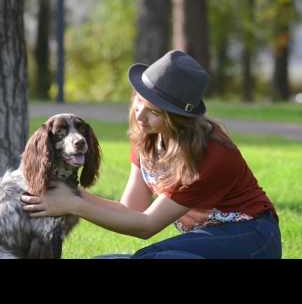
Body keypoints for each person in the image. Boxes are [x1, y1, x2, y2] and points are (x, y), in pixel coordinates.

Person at [21, 50, 282, 259]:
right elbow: (130, 209)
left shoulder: (212, 154)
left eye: (154, 112)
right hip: (205, 238)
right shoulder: (148, 136)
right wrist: (75, 194)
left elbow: (146, 226)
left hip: (253, 236)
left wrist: (73, 204)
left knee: (151, 256)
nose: (140, 116)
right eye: (139, 103)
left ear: (178, 120)